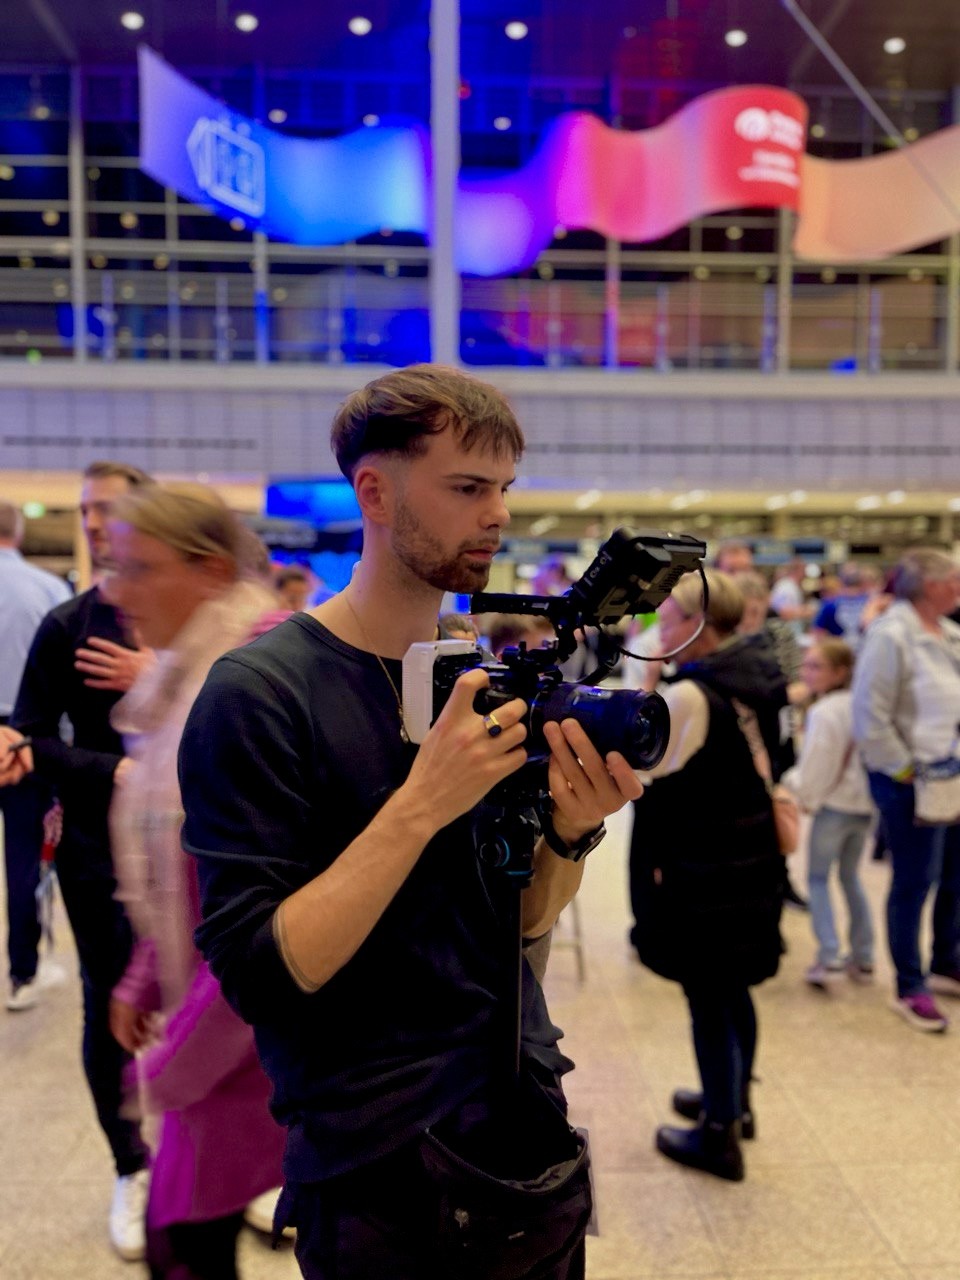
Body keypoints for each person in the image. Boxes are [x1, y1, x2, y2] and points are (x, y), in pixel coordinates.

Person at [178, 364, 642, 1280]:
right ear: (376, 491)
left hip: (524, 1126)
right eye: (468, 488)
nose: (498, 515)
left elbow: (518, 920)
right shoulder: (261, 693)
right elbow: (264, 974)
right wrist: (422, 803)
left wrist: (565, 833)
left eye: (504, 488)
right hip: (376, 1161)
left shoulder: (477, 671)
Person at [106, 482, 286, 1279]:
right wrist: (148, 970)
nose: (117, 590)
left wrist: (180, 1057)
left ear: (211, 570)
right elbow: (180, 856)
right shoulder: (185, 675)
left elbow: (263, 882)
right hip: (214, 1011)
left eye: (138, 568)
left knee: (181, 1240)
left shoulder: (253, 675)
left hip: (252, 1018)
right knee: (186, 1235)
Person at [6, 460, 154, 1259]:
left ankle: (243, 1160)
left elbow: (232, 701)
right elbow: (31, 731)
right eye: (86, 510)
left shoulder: (182, 614)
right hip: (99, 846)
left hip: (199, 841)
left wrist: (154, 674)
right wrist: (109, 769)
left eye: (113, 509)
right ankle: (130, 1164)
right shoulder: (67, 625)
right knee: (112, 1006)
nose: (96, 523)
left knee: (230, 998)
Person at [629, 570, 785, 1182]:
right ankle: (735, 1100)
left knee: (709, 994)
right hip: (747, 853)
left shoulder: (690, 695)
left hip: (705, 864)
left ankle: (718, 1134)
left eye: (667, 619)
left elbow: (648, 770)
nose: (658, 628)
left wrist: (647, 689)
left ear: (696, 626)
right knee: (734, 988)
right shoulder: (755, 674)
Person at [852, 548, 960, 1033]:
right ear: (925, 585)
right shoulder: (891, 635)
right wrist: (904, 773)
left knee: (955, 877)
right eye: (951, 580)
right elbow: (870, 718)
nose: (958, 587)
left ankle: (945, 959)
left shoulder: (950, 634)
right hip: (909, 779)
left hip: (951, 772)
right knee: (915, 882)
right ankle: (909, 984)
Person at [0, 498, 71, 1009]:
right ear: (18, 533)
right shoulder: (47, 589)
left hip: (23, 731)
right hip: (24, 735)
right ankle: (22, 973)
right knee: (24, 855)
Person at [783, 640, 875, 989]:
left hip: (834, 807)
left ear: (840, 672)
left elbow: (816, 768)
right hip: (864, 808)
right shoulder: (864, 704)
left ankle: (830, 954)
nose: (807, 672)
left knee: (819, 879)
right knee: (851, 878)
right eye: (805, 665)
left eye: (816, 666)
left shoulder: (824, 712)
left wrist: (798, 788)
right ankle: (864, 955)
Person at [811, 563, 873, 649]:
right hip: (855, 652)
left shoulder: (830, 605)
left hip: (840, 653)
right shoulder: (871, 604)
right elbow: (818, 633)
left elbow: (818, 634)